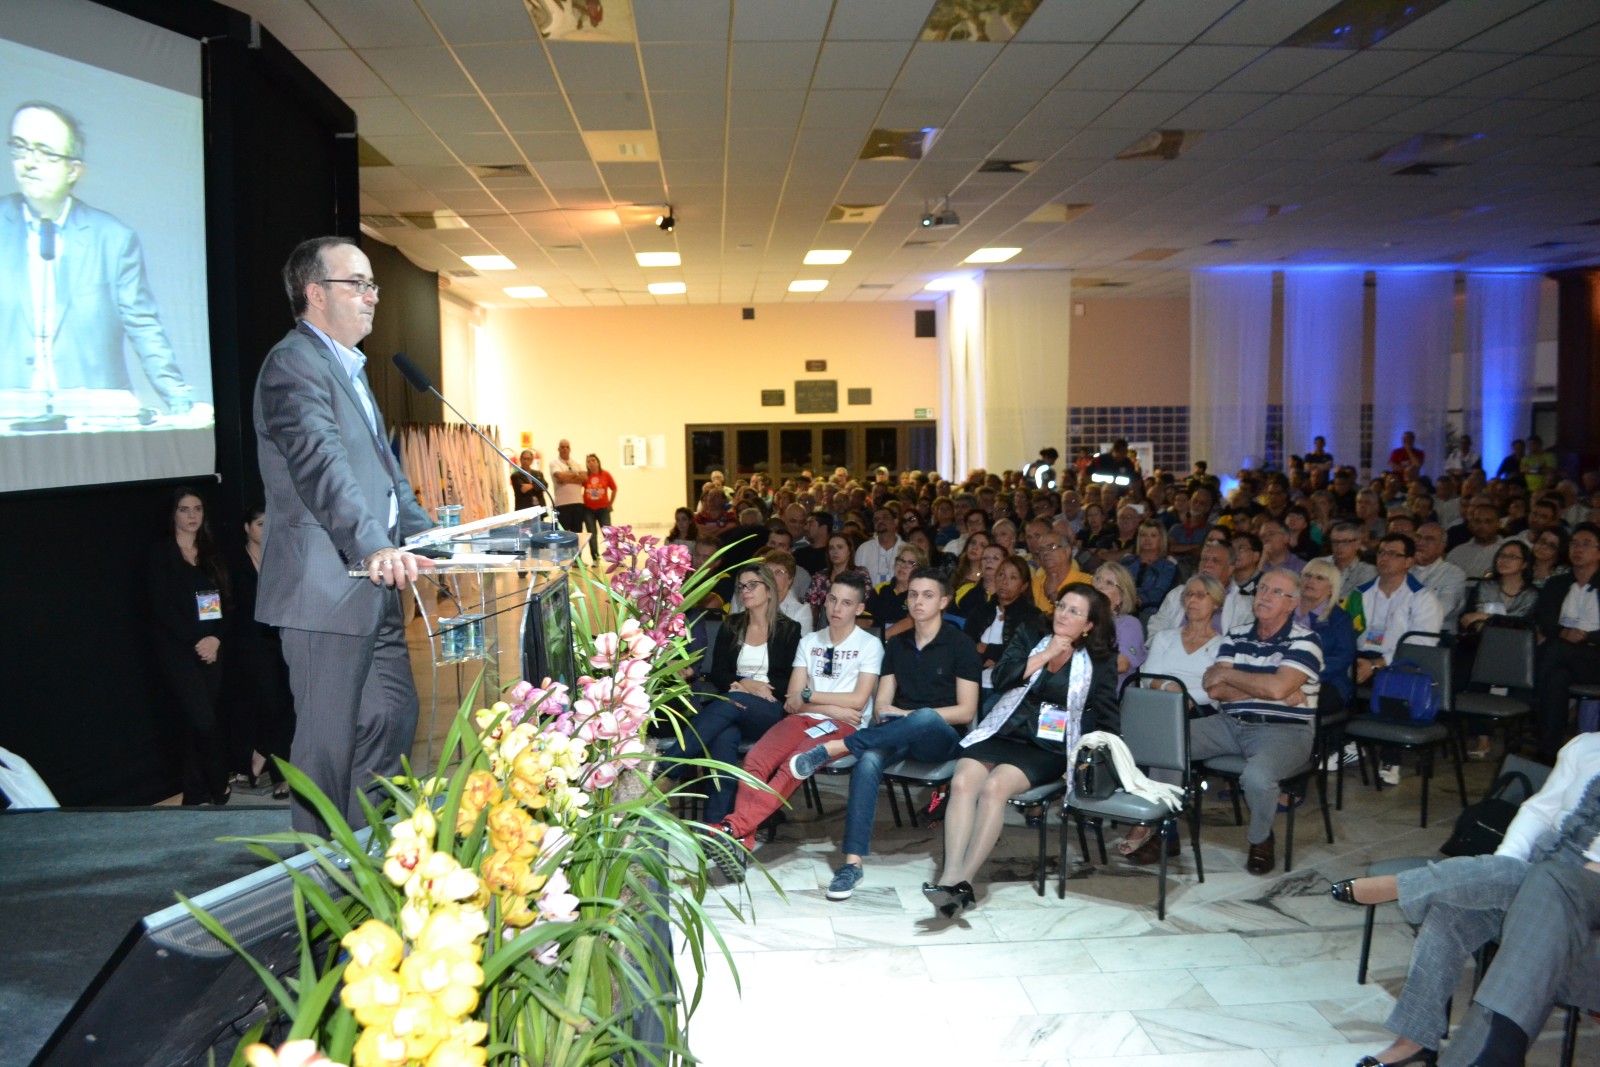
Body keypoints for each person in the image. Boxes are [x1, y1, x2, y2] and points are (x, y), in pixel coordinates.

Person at [253, 235, 435, 835]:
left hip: (374, 583)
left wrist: (430, 538)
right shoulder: (293, 364)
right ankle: (316, 875)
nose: (372, 296)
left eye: (372, 284)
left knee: (390, 716)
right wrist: (373, 544)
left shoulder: (348, 368)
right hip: (325, 589)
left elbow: (386, 476)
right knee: (326, 745)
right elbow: (321, 465)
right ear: (315, 293)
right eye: (357, 284)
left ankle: (363, 854)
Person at [1329, 733, 1600, 1067]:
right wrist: (1504, 865)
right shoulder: (1586, 746)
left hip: (1588, 887)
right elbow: (1540, 811)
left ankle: (1400, 885)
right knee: (1451, 911)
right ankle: (1415, 1039)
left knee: (1544, 878)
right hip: (1539, 869)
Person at [788, 568, 981, 900]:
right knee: (867, 763)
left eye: (928, 595)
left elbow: (965, 711)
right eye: (913, 594)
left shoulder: (960, 645)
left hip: (941, 738)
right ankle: (852, 864)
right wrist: (902, 718)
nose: (918, 601)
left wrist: (910, 717)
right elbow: (881, 707)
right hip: (895, 733)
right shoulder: (896, 644)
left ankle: (839, 746)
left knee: (924, 717)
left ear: (944, 601)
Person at [925, 584, 1119, 914]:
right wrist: (1045, 654)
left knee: (994, 787)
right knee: (961, 781)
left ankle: (963, 881)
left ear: (1089, 625)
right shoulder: (1031, 634)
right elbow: (1002, 678)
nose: (1063, 614)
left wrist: (1095, 756)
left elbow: (1108, 717)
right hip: (1004, 730)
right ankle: (950, 877)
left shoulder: (1099, 660)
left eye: (1074, 612)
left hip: (1047, 747)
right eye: (1061, 606)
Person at [1, 101, 194, 411]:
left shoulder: (113, 239)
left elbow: (144, 327)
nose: (29, 163)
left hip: (93, 419)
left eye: (45, 152)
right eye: (21, 148)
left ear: (73, 170)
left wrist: (180, 403)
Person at [701, 573, 882, 880]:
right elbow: (792, 700)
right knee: (755, 760)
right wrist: (829, 705)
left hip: (843, 727)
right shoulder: (810, 641)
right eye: (832, 599)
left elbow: (857, 701)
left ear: (859, 608)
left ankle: (731, 829)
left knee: (794, 764)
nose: (836, 608)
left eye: (846, 603)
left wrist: (812, 698)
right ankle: (741, 845)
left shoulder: (869, 644)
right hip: (804, 718)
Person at [1198, 568, 1324, 874]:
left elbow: (1275, 688)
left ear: (1293, 603)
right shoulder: (1236, 634)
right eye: (1262, 589)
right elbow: (1213, 688)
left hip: (1286, 731)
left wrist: (1233, 676)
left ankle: (1261, 839)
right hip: (1230, 723)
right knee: (1167, 742)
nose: (1265, 596)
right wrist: (1270, 687)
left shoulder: (1307, 641)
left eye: (1276, 592)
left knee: (1257, 777)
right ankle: (1159, 829)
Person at [660, 563, 802, 827]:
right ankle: (716, 828)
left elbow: (789, 680)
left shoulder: (789, 629)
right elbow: (718, 672)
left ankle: (670, 768)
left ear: (769, 590)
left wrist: (754, 688)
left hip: (770, 709)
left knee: (730, 703)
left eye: (752, 585)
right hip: (734, 705)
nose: (745, 591)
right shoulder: (732, 625)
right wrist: (746, 684)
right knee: (724, 737)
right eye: (741, 586)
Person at [149, 487, 231, 806]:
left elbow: (224, 602)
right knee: (202, 721)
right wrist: (196, 642)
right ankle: (217, 784)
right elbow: (161, 608)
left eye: (197, 509)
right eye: (184, 509)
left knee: (202, 722)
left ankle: (195, 793)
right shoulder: (161, 554)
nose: (192, 515)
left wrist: (215, 638)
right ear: (173, 514)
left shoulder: (211, 552)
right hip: (179, 651)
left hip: (212, 648)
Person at [224, 505, 295, 799]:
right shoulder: (232, 563)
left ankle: (262, 755)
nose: (266, 530)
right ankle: (278, 774)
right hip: (250, 644)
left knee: (292, 702)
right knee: (270, 706)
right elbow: (228, 606)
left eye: (269, 524)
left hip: (284, 638)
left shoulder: (279, 558)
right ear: (247, 528)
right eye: (260, 524)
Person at [1531, 522, 1600, 762]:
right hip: (1563, 656)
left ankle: (1531, 697)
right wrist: (1563, 632)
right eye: (1574, 544)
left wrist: (1587, 636)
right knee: (1556, 677)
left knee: (1553, 652)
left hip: (1595, 656)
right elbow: (1544, 621)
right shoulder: (1557, 584)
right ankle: (1549, 751)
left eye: (1586, 544)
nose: (1578, 549)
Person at [1142, 573, 1226, 711]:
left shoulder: (1223, 645)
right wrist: (1169, 688)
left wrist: (1185, 697)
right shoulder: (1163, 637)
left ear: (1216, 602)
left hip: (1199, 710)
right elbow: (1148, 678)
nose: (1191, 600)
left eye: (1200, 595)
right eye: (1188, 594)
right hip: (1160, 701)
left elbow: (1217, 690)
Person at [1091, 561, 1149, 692]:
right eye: (1097, 579)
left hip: (1106, 696)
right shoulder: (1079, 618)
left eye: (1109, 583)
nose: (1099, 586)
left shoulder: (1128, 624)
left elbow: (1121, 664)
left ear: (1121, 597)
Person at [1410, 522, 1468, 633]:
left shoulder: (1454, 573)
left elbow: (1440, 611)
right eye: (1418, 537)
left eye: (1429, 539)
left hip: (1435, 634)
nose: (1420, 543)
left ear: (1442, 546)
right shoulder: (1401, 568)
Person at [866, 544, 927, 638]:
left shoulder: (920, 593)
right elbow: (865, 618)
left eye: (911, 563)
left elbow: (911, 621)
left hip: (903, 642)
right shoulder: (881, 588)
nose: (903, 566)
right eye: (901, 560)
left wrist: (880, 638)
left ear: (919, 570)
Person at [1123, 520, 1179, 616]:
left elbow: (1159, 591)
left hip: (1149, 613)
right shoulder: (1127, 561)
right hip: (1122, 607)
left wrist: (1140, 599)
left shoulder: (1167, 566)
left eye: (1153, 536)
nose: (1147, 539)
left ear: (1161, 540)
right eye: (1143, 535)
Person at [549, 439, 586, 535]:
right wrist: (576, 474)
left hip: (578, 503)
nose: (565, 449)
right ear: (558, 449)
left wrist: (566, 478)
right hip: (562, 504)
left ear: (570, 449)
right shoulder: (554, 463)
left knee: (577, 533)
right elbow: (560, 477)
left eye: (567, 447)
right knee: (563, 534)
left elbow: (584, 478)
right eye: (562, 447)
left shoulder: (577, 462)